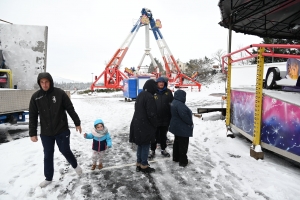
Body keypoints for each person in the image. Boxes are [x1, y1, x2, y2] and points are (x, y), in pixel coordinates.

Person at [29, 72, 83, 188]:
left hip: (61, 130)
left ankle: (75, 166)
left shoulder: (59, 93)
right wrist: (32, 133)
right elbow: (32, 116)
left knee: (65, 150)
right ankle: (48, 178)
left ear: (50, 81)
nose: (44, 84)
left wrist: (77, 123)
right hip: (46, 133)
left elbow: (70, 109)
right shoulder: (36, 97)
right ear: (39, 83)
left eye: (46, 82)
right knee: (48, 155)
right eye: (42, 82)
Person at [129, 79, 158, 173]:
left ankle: (139, 163)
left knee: (140, 145)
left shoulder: (140, 95)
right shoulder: (149, 97)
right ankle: (144, 165)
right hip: (145, 125)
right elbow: (151, 114)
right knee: (145, 145)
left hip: (137, 123)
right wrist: (155, 124)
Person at [149, 77, 173, 159]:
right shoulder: (153, 92)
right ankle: (152, 150)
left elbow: (172, 104)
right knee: (153, 136)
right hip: (155, 119)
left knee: (163, 135)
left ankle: (163, 149)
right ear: (157, 83)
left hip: (165, 119)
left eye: (162, 82)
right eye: (159, 82)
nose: (161, 83)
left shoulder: (169, 92)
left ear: (165, 83)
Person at [169, 90, 193, 167]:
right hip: (182, 128)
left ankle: (176, 157)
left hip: (176, 126)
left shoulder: (174, 102)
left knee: (177, 142)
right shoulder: (180, 105)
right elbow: (184, 116)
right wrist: (190, 122)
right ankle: (183, 161)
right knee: (183, 145)